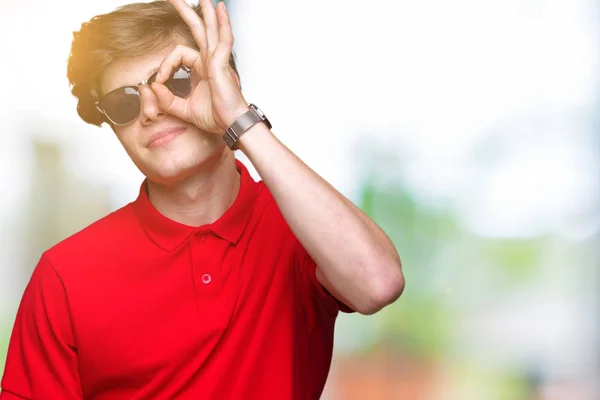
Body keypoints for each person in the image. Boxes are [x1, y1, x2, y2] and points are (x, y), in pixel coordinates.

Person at [0, 0, 404, 398]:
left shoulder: (300, 225)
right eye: (126, 101)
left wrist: (239, 119)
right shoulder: (65, 275)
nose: (154, 109)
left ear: (224, 80)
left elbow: (378, 284)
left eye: (177, 79)